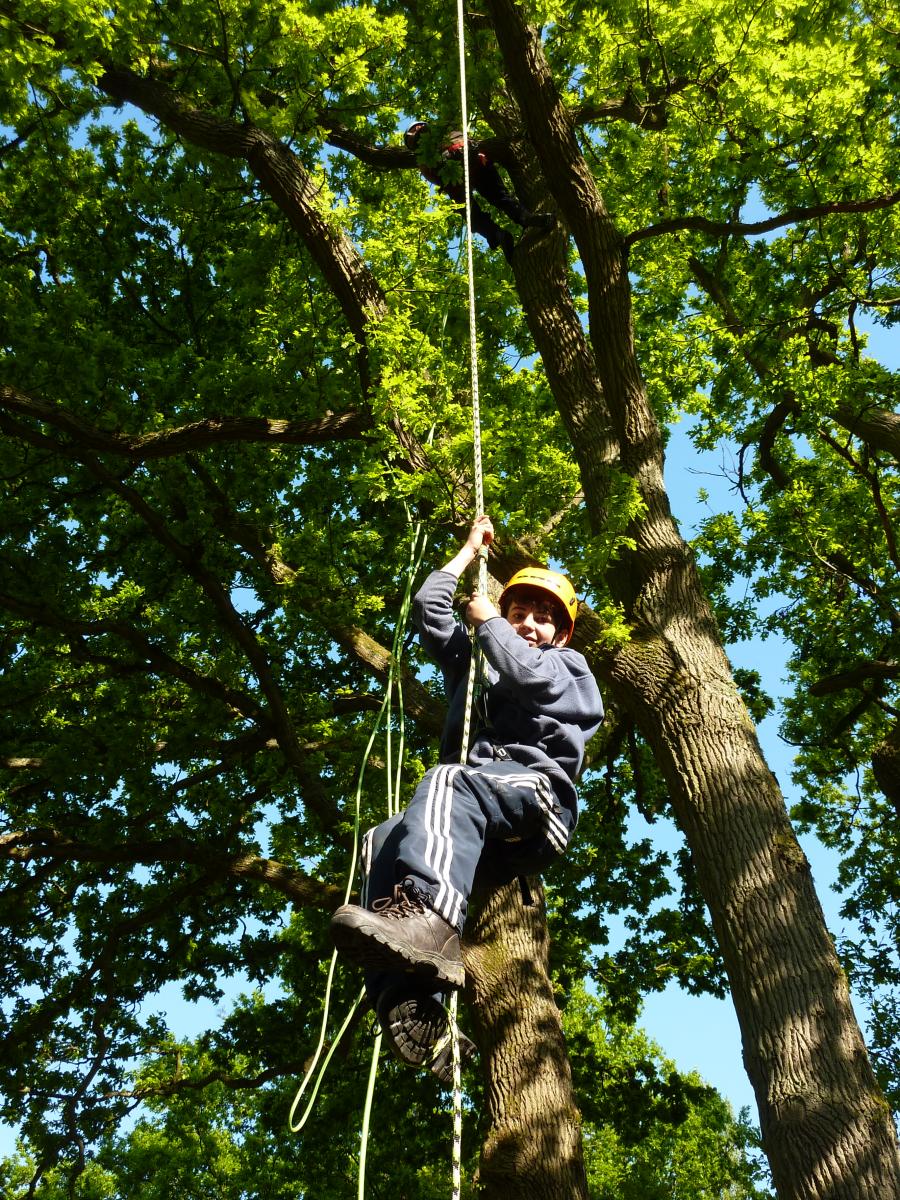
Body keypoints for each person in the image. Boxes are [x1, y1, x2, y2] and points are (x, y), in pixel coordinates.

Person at [330, 516, 604, 1082]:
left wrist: (491, 626)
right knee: (381, 839)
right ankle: (410, 1004)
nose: (529, 624)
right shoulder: (477, 658)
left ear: (562, 633)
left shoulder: (567, 667)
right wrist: (465, 554)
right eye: (519, 613)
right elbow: (429, 613)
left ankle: (432, 921)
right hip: (481, 815)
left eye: (544, 618)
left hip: (538, 794)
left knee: (450, 780)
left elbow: (534, 680)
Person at [404, 122, 555, 261]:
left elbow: (436, 173)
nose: (417, 131)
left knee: (485, 207)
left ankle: (513, 224)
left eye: (416, 129)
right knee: (487, 205)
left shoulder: (438, 138)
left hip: (464, 165)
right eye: (413, 131)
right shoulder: (428, 151)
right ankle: (503, 231)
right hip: (463, 167)